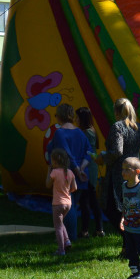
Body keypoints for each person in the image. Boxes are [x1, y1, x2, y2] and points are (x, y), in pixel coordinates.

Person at [101, 98, 140, 245]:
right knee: (130, 209)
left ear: (116, 111)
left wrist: (103, 157)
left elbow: (117, 151)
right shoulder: (138, 128)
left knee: (112, 208)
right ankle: (130, 243)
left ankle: (129, 241)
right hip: (134, 174)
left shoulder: (117, 127)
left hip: (118, 173)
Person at [46, 103, 91, 242]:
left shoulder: (60, 133)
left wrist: (77, 170)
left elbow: (67, 153)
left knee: (67, 205)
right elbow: (89, 152)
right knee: (72, 203)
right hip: (81, 175)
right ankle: (67, 236)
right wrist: (82, 168)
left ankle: (70, 237)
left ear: (60, 116)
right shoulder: (80, 133)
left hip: (66, 175)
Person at [75, 106, 105, 238]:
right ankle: (99, 229)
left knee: (85, 201)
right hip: (91, 169)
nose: (75, 119)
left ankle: (85, 230)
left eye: (77, 117)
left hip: (87, 169)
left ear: (81, 118)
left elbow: (84, 151)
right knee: (92, 201)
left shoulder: (85, 132)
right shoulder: (92, 130)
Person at [46, 149, 77, 256]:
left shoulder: (54, 172)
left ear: (54, 161)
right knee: (61, 223)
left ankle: (61, 250)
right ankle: (67, 240)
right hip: (68, 204)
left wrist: (48, 171)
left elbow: (47, 185)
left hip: (57, 204)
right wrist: (67, 190)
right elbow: (74, 188)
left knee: (58, 226)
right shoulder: (70, 172)